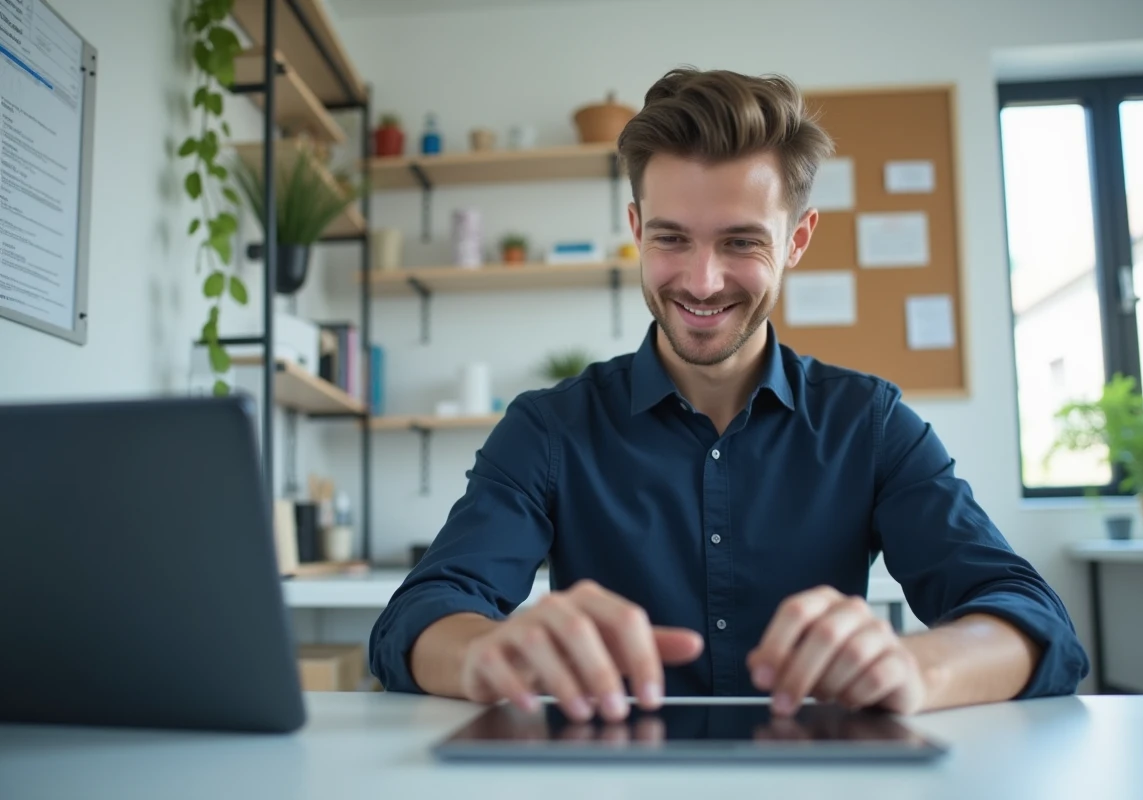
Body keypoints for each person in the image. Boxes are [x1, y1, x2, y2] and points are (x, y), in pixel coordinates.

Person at [369, 67, 1089, 723]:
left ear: (798, 238)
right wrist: (489, 654)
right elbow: (423, 614)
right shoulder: (548, 428)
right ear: (634, 231)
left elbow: (1034, 621)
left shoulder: (869, 426)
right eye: (672, 239)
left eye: (742, 242)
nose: (702, 280)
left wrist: (916, 667)